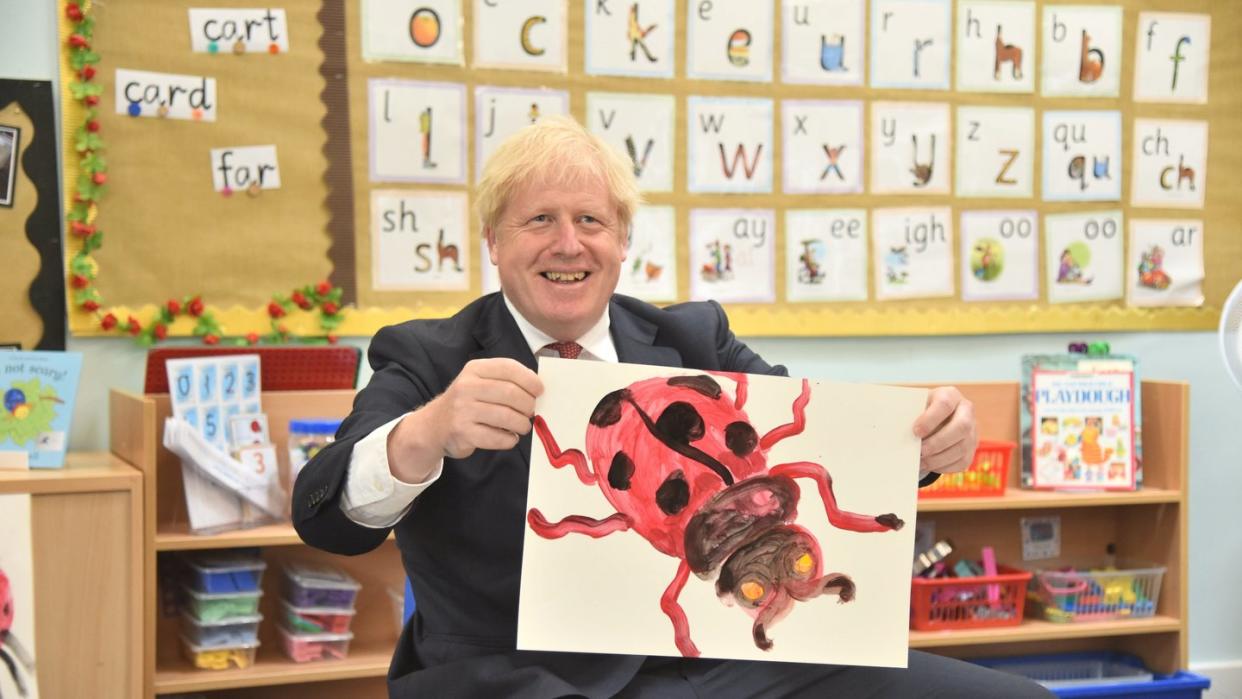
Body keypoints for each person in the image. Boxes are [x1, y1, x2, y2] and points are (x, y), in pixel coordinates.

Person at [292, 116, 1051, 698]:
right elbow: (322, 511)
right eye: (538, 221)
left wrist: (921, 448)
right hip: (515, 677)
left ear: (622, 240)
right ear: (493, 240)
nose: (569, 244)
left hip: (719, 664)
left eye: (590, 220)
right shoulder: (427, 356)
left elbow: (823, 440)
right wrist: (421, 435)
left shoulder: (693, 336)